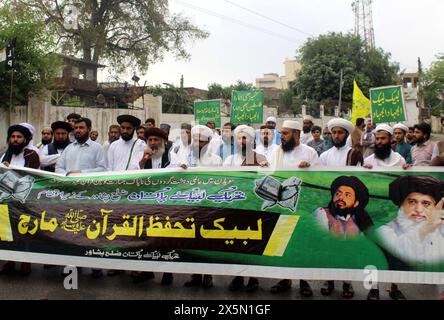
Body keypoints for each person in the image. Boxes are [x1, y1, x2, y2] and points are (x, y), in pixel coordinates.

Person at [269, 120, 317, 297]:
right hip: (282, 205)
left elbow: (319, 179)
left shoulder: (310, 153)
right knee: (283, 245)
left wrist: (309, 169)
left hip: (303, 206)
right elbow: (271, 174)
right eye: (281, 133)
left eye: (286, 133)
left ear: (296, 134)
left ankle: (304, 281)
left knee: (302, 244)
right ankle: (285, 279)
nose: (282, 136)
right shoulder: (277, 151)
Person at [362, 124, 407, 300]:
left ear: (390, 140)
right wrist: (363, 171)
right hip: (374, 213)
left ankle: (394, 287)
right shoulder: (369, 160)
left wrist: (408, 170)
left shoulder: (400, 160)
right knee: (374, 251)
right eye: (377, 139)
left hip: (394, 214)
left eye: (383, 139)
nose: (379, 142)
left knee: (394, 251)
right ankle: (373, 288)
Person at [175, 125, 222, 288]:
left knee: (208, 243)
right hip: (189, 207)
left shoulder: (216, 160)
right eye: (195, 141)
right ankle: (195, 275)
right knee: (191, 242)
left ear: (208, 142)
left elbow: (221, 184)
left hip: (209, 207)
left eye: (201, 142)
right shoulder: (183, 158)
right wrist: (180, 170)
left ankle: (207, 275)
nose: (197, 145)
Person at [224, 125, 267, 293]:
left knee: (253, 243)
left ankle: (254, 277)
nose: (242, 141)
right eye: (239, 138)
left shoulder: (261, 158)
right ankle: (238, 276)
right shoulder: (229, 160)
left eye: (245, 138)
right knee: (236, 243)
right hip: (235, 206)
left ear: (252, 140)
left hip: (254, 206)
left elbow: (268, 181)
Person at [134, 127, 174, 285]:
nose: (153, 143)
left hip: (166, 205)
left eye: (156, 140)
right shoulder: (143, 155)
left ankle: (168, 272)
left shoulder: (171, 155)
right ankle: (147, 271)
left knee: (166, 239)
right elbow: (133, 172)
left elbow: (176, 172)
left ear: (163, 141)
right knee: (146, 239)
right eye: (150, 140)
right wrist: (144, 160)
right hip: (147, 204)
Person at [0, 124, 40, 276]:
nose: (15, 140)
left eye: (19, 137)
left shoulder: (31, 155)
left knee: (24, 232)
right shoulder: (4, 154)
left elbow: (33, 176)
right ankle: (10, 262)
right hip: (6, 201)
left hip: (25, 201)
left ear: (26, 139)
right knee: (7, 233)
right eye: (13, 137)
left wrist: (11, 171)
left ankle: (25, 263)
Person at [377, 176, 444, 266]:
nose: (419, 210)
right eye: (412, 202)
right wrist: (425, 228)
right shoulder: (384, 232)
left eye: (426, 204)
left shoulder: (440, 231)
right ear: (401, 204)